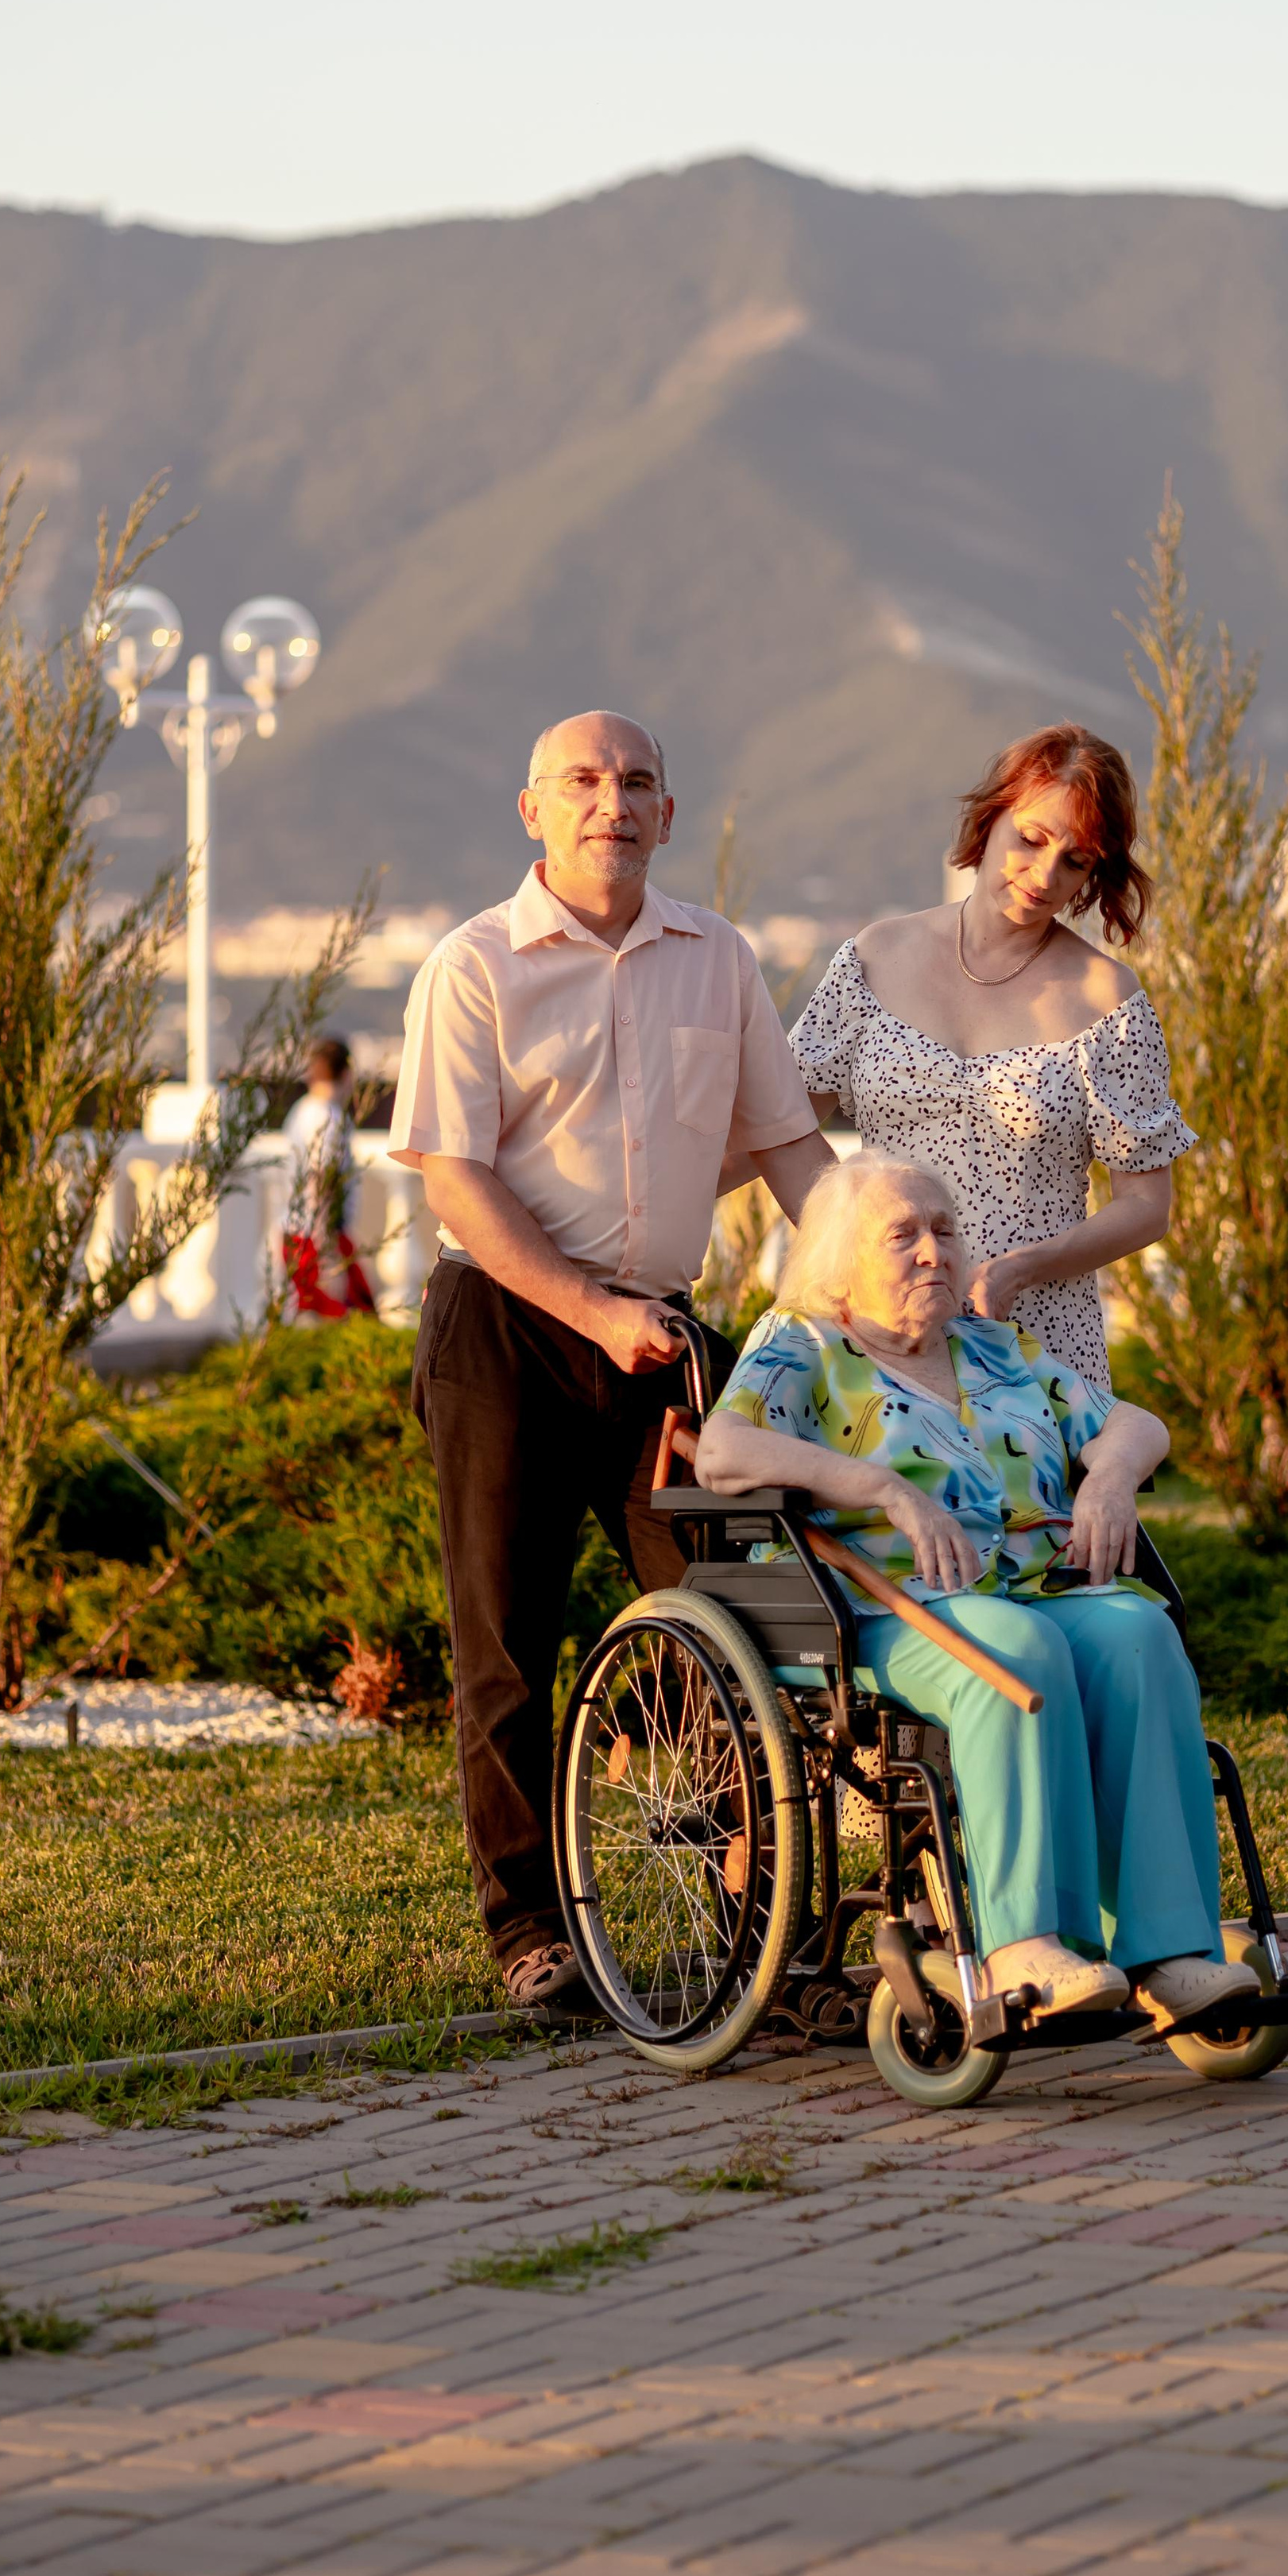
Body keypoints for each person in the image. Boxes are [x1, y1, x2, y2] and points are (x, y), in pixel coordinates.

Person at [390, 709, 834, 2008]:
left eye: (636, 782)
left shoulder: (719, 959)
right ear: (532, 811)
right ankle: (531, 1935)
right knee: (508, 1647)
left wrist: (886, 1275)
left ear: (668, 815)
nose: (611, 803)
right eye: (582, 782)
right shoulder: (472, 968)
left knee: (740, 1624)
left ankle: (758, 1929)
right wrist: (586, 1310)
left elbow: (792, 1151)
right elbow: (456, 1186)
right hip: (509, 1329)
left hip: (666, 1335)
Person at [696, 1150, 1255, 2028]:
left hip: (1040, 1589)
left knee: (1138, 1636)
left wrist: (1105, 1481)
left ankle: (1171, 1950)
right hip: (885, 1609)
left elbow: (1133, 1425)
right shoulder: (801, 1344)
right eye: (903, 1235)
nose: (933, 1251)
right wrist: (884, 1489)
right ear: (842, 1257)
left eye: (945, 1231)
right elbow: (722, 1452)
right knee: (1014, 1650)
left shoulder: (994, 1346)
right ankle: (1025, 1945)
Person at [789, 722, 1193, 1395]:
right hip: (883, 1332)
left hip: (1041, 1346)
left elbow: (1148, 1205)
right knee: (882, 1501)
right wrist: (851, 1251)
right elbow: (782, 1129)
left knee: (1045, 1507)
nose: (1044, 875)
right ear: (991, 816)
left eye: (1076, 860)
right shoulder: (873, 957)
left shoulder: (1108, 1000)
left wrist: (1019, 1268)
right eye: (1031, 839)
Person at [281, 1036, 377, 1320]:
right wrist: (325, 1240)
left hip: (296, 1229)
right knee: (355, 1315)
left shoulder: (302, 1110)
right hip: (320, 1233)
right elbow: (323, 1177)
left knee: (310, 1314)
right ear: (347, 1074)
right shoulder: (329, 1118)